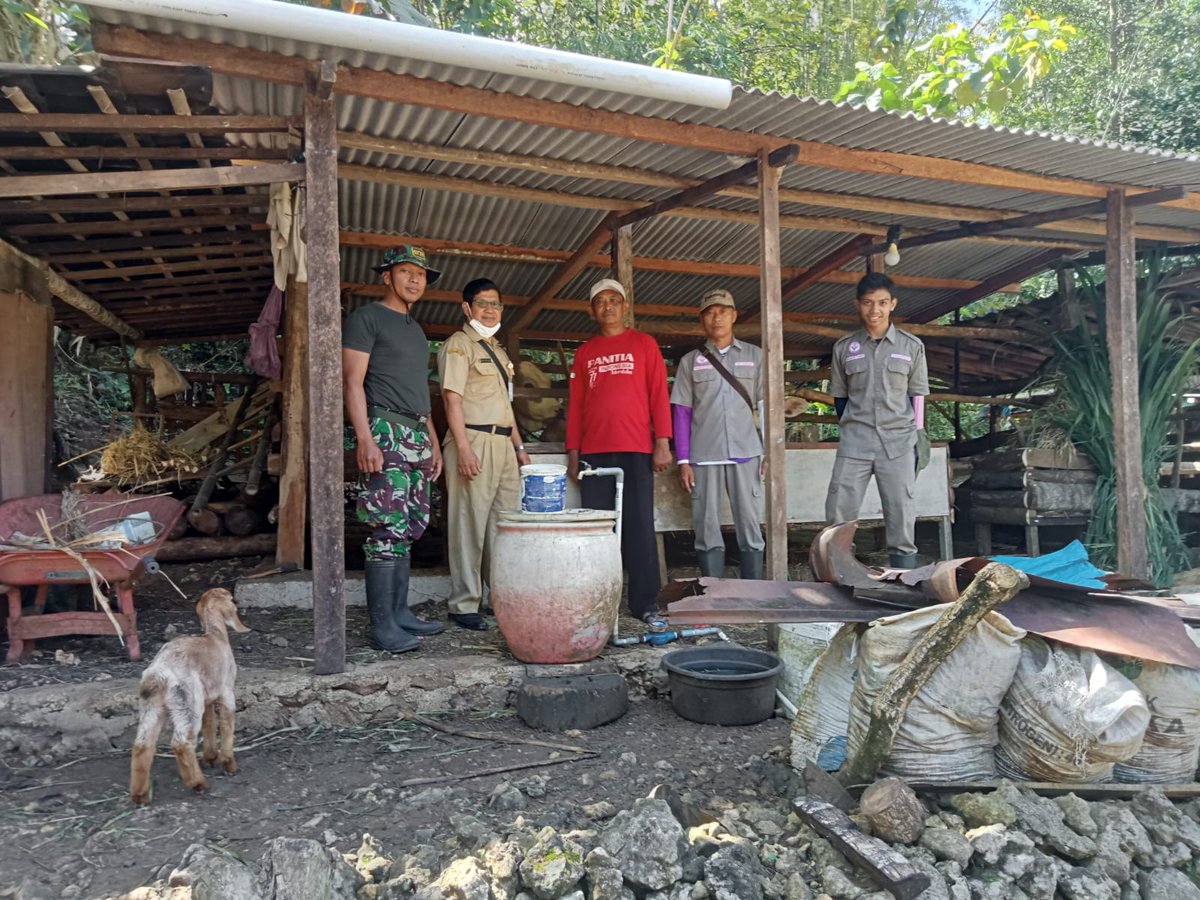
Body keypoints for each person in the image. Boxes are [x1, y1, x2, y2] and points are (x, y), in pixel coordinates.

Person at [342, 244, 446, 653]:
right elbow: (352, 382)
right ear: (387, 276)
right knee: (386, 526)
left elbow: (422, 394)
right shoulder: (367, 319)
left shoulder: (415, 330)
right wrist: (364, 437)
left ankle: (401, 614)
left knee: (410, 526)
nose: (415, 279)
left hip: (417, 435)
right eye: (406, 271)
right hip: (385, 430)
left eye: (420, 274)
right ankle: (381, 625)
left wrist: (434, 443)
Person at [566, 278, 673, 621]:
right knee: (597, 531)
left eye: (614, 300)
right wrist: (572, 453)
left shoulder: (644, 344)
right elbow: (576, 405)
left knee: (639, 527)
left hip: (636, 449)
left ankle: (645, 604)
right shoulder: (584, 352)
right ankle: (599, 605)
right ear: (592, 310)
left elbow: (659, 394)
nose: (607, 306)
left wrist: (662, 443)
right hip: (594, 453)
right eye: (600, 302)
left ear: (625, 306)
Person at [437, 278, 532, 630]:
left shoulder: (500, 350)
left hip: (503, 443)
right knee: (469, 524)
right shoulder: (459, 346)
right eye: (482, 304)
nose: (490, 310)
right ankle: (463, 604)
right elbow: (452, 399)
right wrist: (462, 448)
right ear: (467, 308)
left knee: (502, 526)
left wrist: (519, 446)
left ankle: (496, 597)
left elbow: (505, 406)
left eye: (495, 304)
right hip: (473, 440)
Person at [825, 272, 929, 568]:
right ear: (858, 304)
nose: (875, 310)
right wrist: (853, 429)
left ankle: (903, 582)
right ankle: (839, 576)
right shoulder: (844, 348)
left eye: (882, 303)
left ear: (893, 304)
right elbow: (840, 398)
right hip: (855, 443)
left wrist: (917, 437)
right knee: (838, 512)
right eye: (868, 303)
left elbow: (917, 397)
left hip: (898, 443)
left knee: (901, 514)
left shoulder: (911, 346)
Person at [670, 288, 765, 579]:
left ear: (734, 315)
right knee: (705, 526)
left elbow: (766, 405)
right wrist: (683, 460)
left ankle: (754, 593)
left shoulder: (755, 356)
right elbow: (682, 412)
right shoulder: (690, 361)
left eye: (723, 310)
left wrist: (770, 452)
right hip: (704, 454)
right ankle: (713, 591)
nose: (717, 317)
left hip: (747, 452)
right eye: (710, 312)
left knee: (750, 524)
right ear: (702, 319)